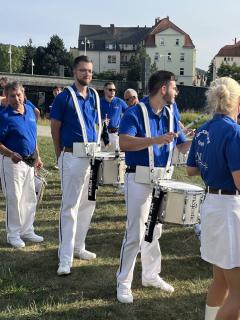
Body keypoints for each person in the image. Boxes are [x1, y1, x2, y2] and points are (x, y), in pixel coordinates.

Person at [116, 70, 191, 303]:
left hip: (162, 180)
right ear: (163, 89)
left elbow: (181, 147)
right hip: (138, 178)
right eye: (175, 87)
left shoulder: (170, 113)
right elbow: (124, 143)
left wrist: (197, 140)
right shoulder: (134, 113)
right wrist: (154, 140)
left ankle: (150, 275)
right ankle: (123, 283)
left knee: (155, 231)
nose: (176, 91)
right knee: (135, 233)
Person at [187, 77, 240, 320]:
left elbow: (191, 169)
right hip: (229, 209)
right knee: (238, 294)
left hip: (212, 205)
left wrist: (214, 165)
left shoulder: (204, 129)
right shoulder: (234, 132)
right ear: (236, 102)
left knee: (220, 279)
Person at [50, 55, 99, 276]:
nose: (87, 74)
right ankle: (65, 257)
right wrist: (60, 154)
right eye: (82, 71)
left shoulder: (94, 96)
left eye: (89, 71)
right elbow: (55, 128)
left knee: (88, 204)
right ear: (74, 72)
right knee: (69, 207)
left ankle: (79, 247)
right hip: (71, 156)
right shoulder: (64, 98)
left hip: (91, 156)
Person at [0, 81, 43, 248]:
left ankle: (27, 230)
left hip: (29, 161)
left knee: (29, 197)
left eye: (19, 94)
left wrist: (37, 157)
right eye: (12, 95)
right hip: (11, 162)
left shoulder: (30, 111)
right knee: (15, 198)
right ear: (7, 97)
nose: (16, 98)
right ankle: (13, 234)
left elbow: (33, 137)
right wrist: (11, 154)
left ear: (24, 95)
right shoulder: (4, 116)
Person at [100, 82, 128, 150]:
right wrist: (100, 120)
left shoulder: (119, 102)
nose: (113, 91)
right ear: (104, 90)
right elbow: (91, 116)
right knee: (100, 157)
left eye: (114, 90)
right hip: (101, 135)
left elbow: (129, 113)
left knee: (114, 158)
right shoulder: (98, 101)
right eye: (110, 89)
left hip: (115, 134)